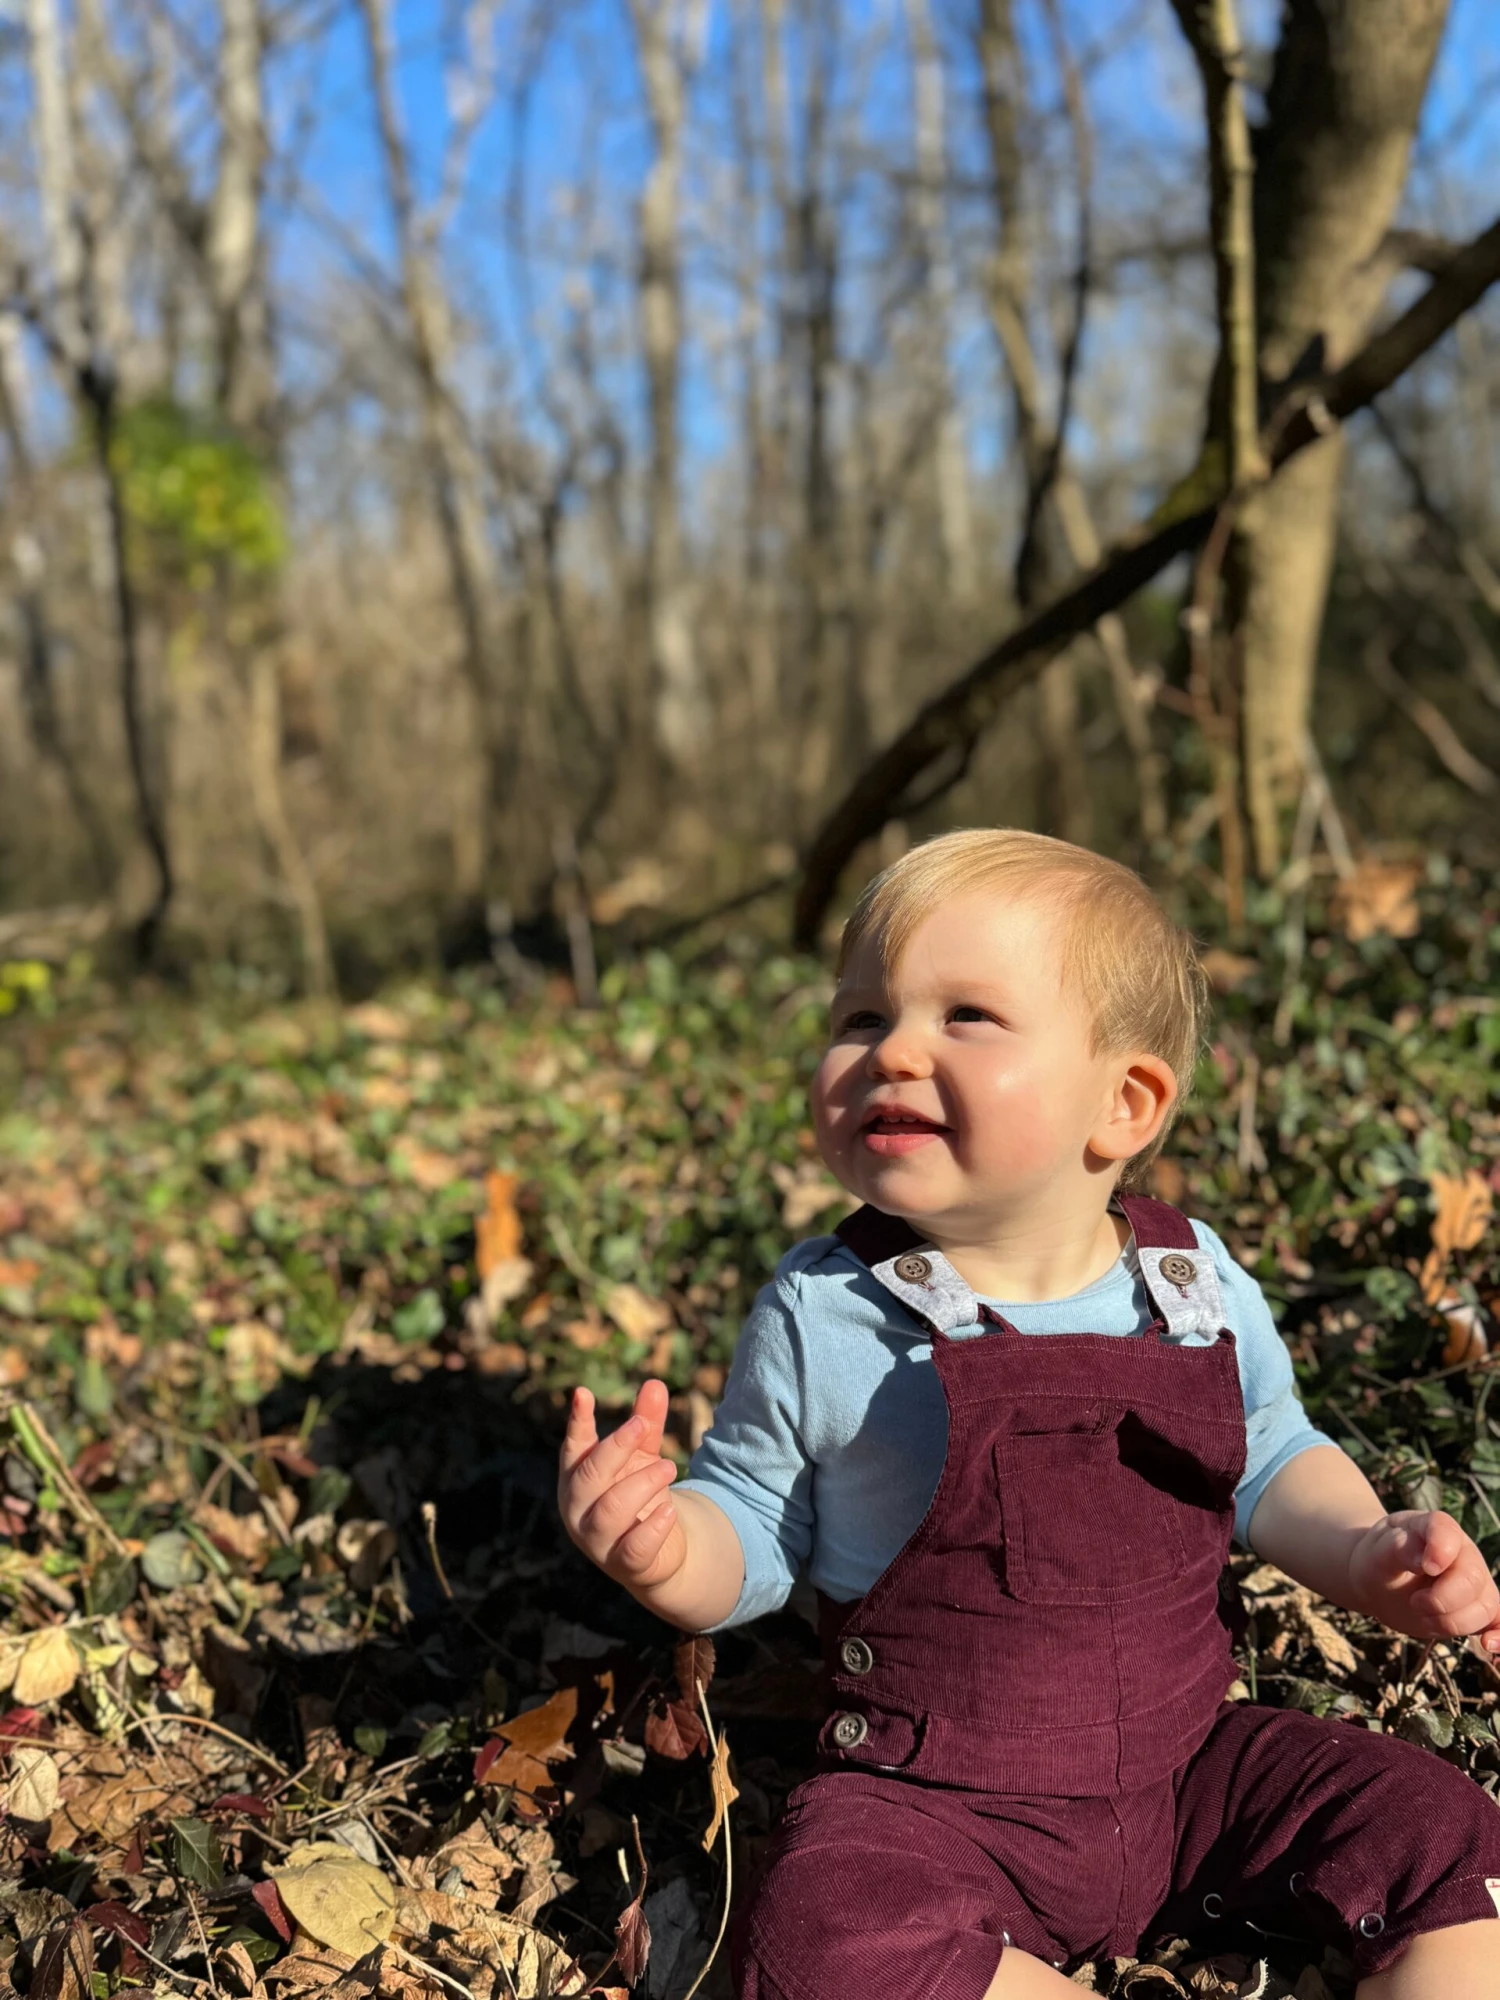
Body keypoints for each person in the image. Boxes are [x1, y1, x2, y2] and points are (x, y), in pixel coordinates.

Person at [558, 829, 1500, 1998]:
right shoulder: (824, 1309)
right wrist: (667, 1547)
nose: (891, 1049)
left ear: (1125, 1100)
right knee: (816, 1935)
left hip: (1192, 1767)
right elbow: (756, 1525)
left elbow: (1267, 1452)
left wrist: (1362, 1550)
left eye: (966, 1017)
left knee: (1439, 1826)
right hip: (934, 1803)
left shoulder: (1192, 1287)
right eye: (860, 1018)